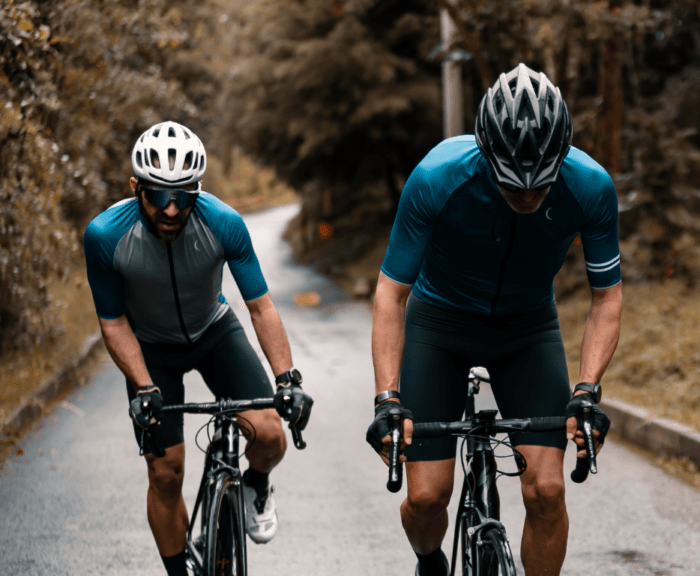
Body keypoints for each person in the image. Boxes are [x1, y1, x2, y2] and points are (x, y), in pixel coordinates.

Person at [367, 63, 621, 576]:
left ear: (561, 158)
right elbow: (391, 296)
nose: (527, 196)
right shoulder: (437, 177)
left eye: (540, 185)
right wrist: (388, 399)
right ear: (486, 153)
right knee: (425, 497)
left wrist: (587, 388)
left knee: (548, 490)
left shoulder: (590, 187)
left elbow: (606, 299)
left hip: (527, 329)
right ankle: (429, 561)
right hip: (439, 324)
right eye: (512, 185)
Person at [83, 120, 313, 576]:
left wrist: (287, 378)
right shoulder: (105, 236)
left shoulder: (223, 222)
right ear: (135, 188)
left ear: (197, 191)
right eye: (158, 195)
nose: (171, 209)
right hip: (150, 350)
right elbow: (112, 322)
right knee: (165, 473)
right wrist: (143, 386)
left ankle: (255, 485)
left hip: (214, 332)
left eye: (184, 196)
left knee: (269, 434)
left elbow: (261, 308)